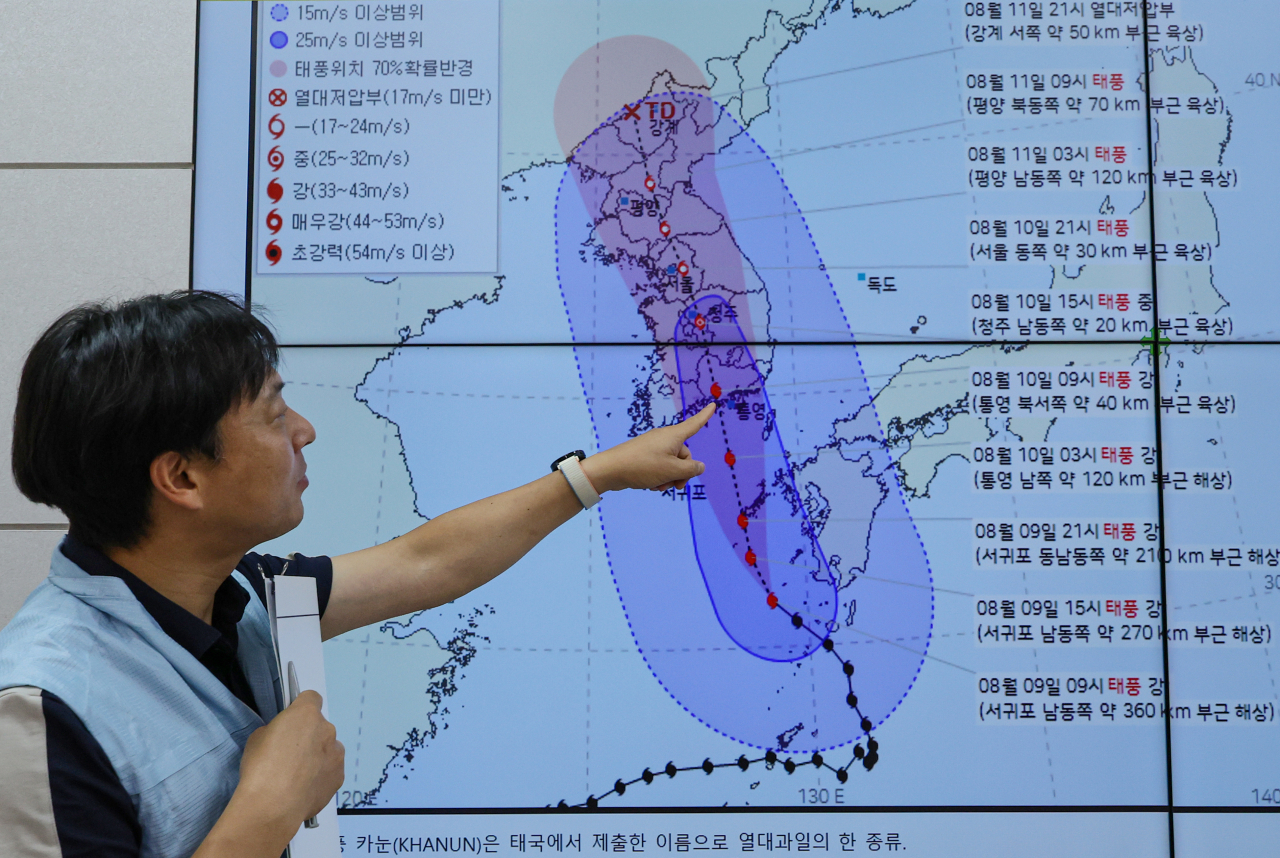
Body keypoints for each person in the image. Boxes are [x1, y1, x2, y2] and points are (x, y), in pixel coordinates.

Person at [0, 291, 713, 858]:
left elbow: (425, 563)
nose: (304, 429)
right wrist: (265, 812)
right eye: (274, 413)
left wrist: (596, 476)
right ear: (182, 476)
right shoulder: (42, 707)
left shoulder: (241, 594)